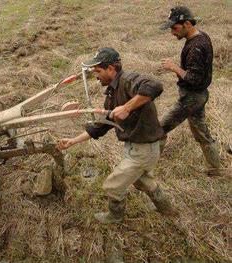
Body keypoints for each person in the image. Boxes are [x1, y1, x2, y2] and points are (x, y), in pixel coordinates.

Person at [57, 48, 175, 224]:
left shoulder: (128, 80)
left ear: (111, 68)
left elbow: (155, 85)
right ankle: (168, 210)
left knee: (112, 185)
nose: (96, 77)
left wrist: (127, 107)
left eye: (98, 71)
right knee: (143, 181)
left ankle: (115, 216)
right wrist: (73, 141)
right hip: (137, 147)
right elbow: (102, 126)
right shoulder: (112, 92)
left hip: (143, 149)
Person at [160, 6, 221, 176]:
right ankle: (215, 168)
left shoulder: (196, 47)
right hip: (200, 96)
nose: (172, 32)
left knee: (158, 129)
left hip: (192, 98)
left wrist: (174, 68)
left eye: (175, 27)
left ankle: (144, 168)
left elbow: (194, 79)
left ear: (187, 23)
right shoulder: (202, 36)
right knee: (202, 133)